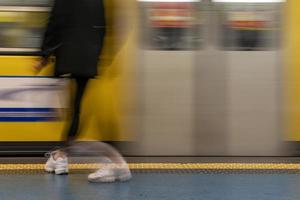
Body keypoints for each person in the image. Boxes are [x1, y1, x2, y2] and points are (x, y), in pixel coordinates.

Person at [34, 0, 131, 183]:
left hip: (69, 58)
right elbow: (103, 28)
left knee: (72, 110)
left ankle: (63, 156)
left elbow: (55, 22)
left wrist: (44, 55)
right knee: (77, 108)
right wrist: (97, 56)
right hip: (88, 59)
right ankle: (61, 156)